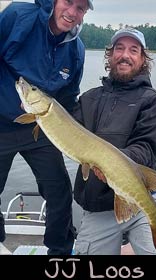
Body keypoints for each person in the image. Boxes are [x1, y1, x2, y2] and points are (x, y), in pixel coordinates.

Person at [0, 0, 93, 255]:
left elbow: (68, 98)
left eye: (81, 9)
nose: (72, 12)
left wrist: (84, 134)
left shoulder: (77, 50)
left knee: (60, 192)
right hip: (0, 125)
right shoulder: (17, 16)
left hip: (40, 126)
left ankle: (60, 254)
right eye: (69, 2)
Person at [72, 27, 156, 255]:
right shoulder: (89, 98)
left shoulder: (151, 100)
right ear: (110, 55)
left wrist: (112, 165)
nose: (125, 55)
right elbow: (66, 133)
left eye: (133, 50)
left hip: (142, 202)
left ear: (142, 59)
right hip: (98, 207)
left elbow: (146, 149)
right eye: (119, 48)